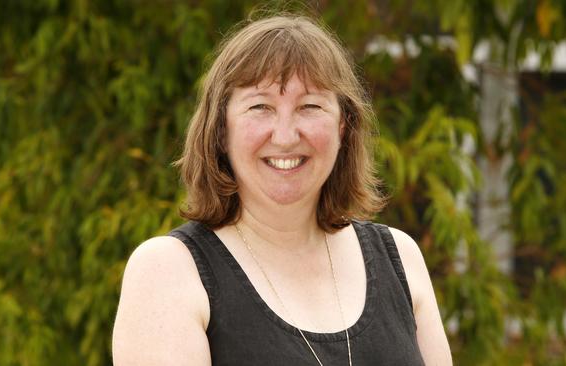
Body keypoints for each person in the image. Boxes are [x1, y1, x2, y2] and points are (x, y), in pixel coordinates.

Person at [112, 13, 452, 366]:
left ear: (343, 127)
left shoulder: (400, 258)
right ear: (220, 130)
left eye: (309, 106)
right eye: (260, 107)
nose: (286, 136)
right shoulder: (169, 272)